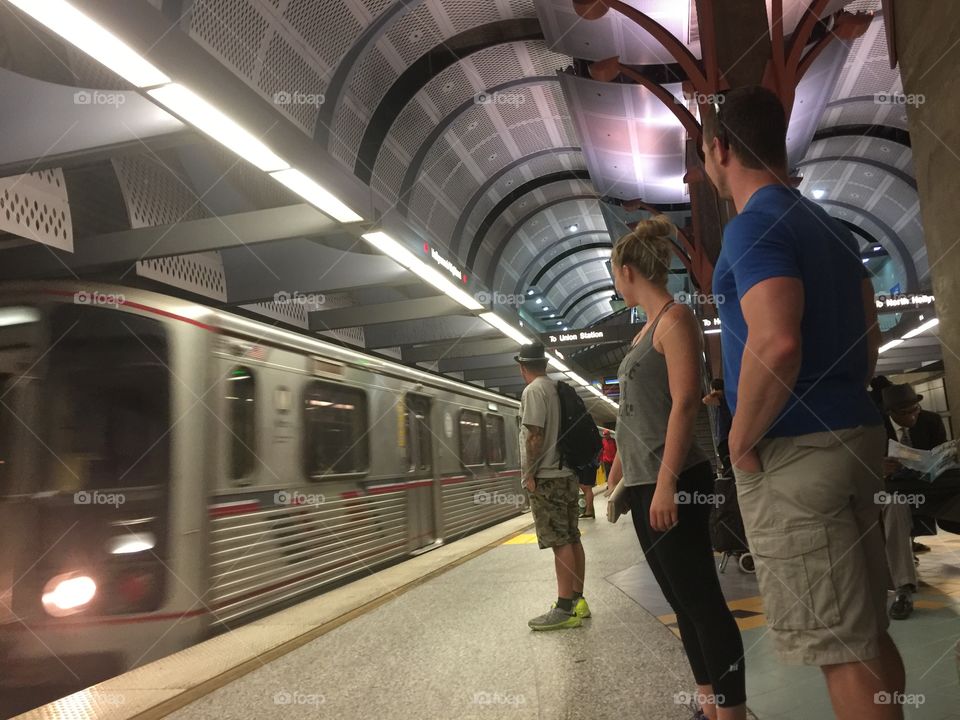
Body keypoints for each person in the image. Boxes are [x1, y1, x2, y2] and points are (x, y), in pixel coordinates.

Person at [703, 85, 904, 719]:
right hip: (854, 437)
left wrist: (739, 438)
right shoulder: (833, 229)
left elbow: (779, 340)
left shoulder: (753, 225)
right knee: (868, 631)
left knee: (840, 647)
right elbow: (868, 337)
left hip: (794, 453)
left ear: (720, 149)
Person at [607, 216, 747, 720]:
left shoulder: (675, 319)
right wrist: (621, 467)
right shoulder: (647, 326)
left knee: (703, 599)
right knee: (680, 600)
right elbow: (636, 408)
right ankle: (708, 701)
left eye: (613, 274)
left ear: (627, 270)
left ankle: (731, 711)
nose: (614, 283)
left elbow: (686, 401)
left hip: (678, 479)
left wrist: (667, 483)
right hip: (647, 481)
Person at [515, 342, 589, 630]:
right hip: (567, 474)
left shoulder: (533, 391)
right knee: (572, 537)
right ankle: (578, 601)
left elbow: (534, 435)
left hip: (547, 477)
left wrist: (529, 474)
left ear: (522, 367)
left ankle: (564, 608)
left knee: (560, 541)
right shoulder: (558, 389)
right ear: (544, 364)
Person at [880, 383, 947, 620]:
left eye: (915, 409)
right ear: (891, 413)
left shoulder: (931, 421)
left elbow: (941, 457)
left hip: (928, 486)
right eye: (905, 412)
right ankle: (904, 588)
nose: (913, 415)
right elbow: (855, 466)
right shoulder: (875, 429)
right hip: (889, 489)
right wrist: (877, 469)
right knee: (895, 504)